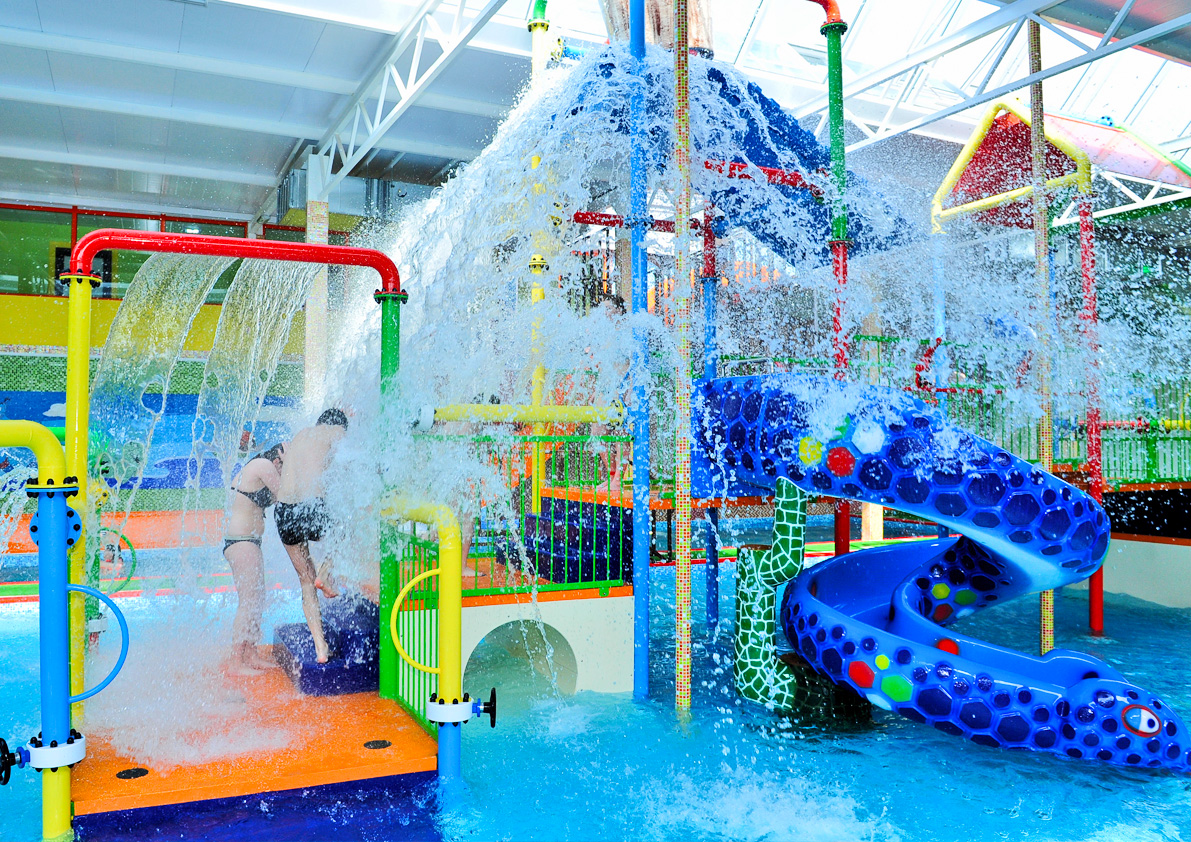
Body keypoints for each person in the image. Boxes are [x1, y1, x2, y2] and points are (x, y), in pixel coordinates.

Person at [275, 408, 347, 663]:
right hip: (311, 507)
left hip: (284, 512)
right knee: (348, 526)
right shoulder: (335, 431)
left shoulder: (300, 436)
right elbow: (350, 464)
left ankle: (320, 649)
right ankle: (325, 574)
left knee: (305, 580)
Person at [224, 442, 285, 676]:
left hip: (248, 541)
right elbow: (286, 495)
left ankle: (251, 654)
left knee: (257, 600)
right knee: (249, 601)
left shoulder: (261, 468)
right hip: (241, 542)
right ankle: (236, 662)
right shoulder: (263, 464)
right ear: (278, 459)